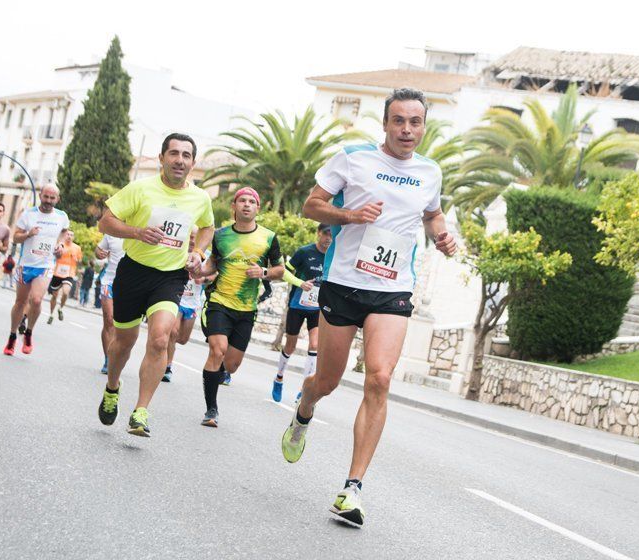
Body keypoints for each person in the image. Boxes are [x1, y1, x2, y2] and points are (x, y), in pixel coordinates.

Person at [280, 89, 457, 527]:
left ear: (423, 126)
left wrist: (442, 234)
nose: (407, 130)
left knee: (379, 377)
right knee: (327, 381)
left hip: (392, 288)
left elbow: (432, 215)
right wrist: (350, 216)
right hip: (343, 283)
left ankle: (351, 488)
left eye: (415, 122)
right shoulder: (353, 158)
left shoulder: (430, 172)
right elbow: (311, 205)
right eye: (399, 121)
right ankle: (305, 408)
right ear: (385, 123)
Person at [96, 133, 214, 437]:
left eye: (186, 155)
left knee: (161, 338)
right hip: (134, 271)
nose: (179, 160)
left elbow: (208, 226)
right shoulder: (140, 188)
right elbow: (105, 222)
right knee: (124, 341)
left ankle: (141, 411)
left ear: (193, 163)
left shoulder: (200, 198)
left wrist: (198, 252)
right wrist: (136, 232)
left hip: (170, 276)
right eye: (173, 153)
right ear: (161, 158)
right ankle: (112, 388)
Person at [194, 187, 284, 428]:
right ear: (234, 207)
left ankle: (217, 373)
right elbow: (212, 264)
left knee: (231, 365)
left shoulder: (268, 237)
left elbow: (280, 270)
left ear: (258, 207)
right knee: (217, 349)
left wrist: (264, 272)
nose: (246, 205)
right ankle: (211, 410)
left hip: (246, 308)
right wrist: (197, 270)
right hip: (219, 302)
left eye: (251, 201)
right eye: (241, 201)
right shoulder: (221, 235)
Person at [3, 185, 70, 355]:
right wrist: (28, 235)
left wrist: (60, 245)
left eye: (52, 198)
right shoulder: (28, 214)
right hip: (25, 264)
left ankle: (29, 333)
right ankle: (12, 337)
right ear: (40, 196)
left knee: (37, 300)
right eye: (45, 197)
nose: (48, 201)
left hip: (45, 265)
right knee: (20, 302)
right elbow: (16, 238)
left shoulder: (61, 216)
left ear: (58, 199)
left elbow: (63, 234)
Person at [271, 223, 332, 403]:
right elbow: (284, 272)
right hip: (298, 305)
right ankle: (279, 377)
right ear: (318, 233)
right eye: (326, 234)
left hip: (317, 308)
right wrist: (300, 283)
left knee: (314, 345)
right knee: (290, 345)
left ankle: (305, 389)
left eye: (331, 235)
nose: (328, 238)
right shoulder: (304, 252)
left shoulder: (333, 256)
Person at [163, 275, 207, 383]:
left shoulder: (206, 261)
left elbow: (214, 275)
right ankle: (167, 368)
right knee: (173, 332)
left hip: (192, 305)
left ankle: (167, 343)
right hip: (178, 300)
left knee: (183, 339)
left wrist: (204, 279)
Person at [94, 234, 125, 373]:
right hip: (110, 281)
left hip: (130, 285)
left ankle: (118, 355)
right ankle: (108, 358)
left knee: (123, 326)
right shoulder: (112, 232)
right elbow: (98, 250)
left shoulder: (141, 228)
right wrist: (99, 253)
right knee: (109, 320)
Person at [46, 230, 82, 325]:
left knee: (66, 292)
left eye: (71, 235)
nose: (69, 236)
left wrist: (76, 259)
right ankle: (51, 314)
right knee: (54, 295)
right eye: (68, 234)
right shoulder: (60, 245)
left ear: (73, 237)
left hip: (69, 274)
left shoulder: (77, 248)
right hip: (57, 273)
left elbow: (80, 260)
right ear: (64, 236)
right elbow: (54, 255)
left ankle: (60, 308)